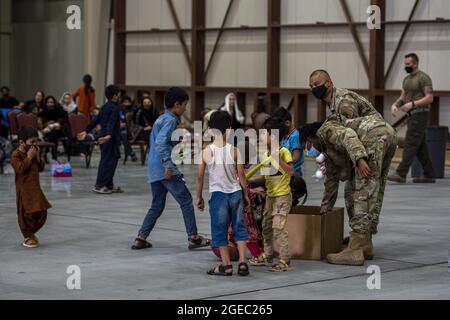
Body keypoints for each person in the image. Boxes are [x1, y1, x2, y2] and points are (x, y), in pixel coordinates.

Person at [302, 113, 397, 265]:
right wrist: (324, 211)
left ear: (311, 138)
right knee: (372, 190)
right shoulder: (329, 152)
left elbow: (348, 135)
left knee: (359, 193)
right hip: (387, 135)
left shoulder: (326, 130)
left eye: (307, 146)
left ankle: (355, 249)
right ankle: (364, 242)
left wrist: (359, 158)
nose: (310, 151)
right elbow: (331, 185)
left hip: (374, 136)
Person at [131, 87, 210, 251]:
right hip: (165, 169)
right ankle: (193, 237)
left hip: (154, 169)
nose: (186, 108)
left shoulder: (161, 119)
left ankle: (141, 237)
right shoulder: (171, 120)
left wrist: (186, 151)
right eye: (185, 105)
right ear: (177, 104)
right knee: (186, 200)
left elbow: (165, 144)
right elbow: (160, 143)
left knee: (157, 205)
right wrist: (168, 165)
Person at [196, 111, 251, 276]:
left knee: (219, 229)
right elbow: (241, 175)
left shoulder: (206, 151)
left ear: (211, 130)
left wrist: (198, 197)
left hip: (218, 195)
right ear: (229, 130)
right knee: (239, 227)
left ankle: (226, 265)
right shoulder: (235, 150)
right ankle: (242, 262)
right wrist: (246, 195)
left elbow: (199, 177)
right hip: (235, 193)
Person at [246, 117, 295, 272]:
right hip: (271, 196)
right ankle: (267, 254)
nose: (261, 136)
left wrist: (277, 158)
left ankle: (284, 259)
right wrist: (246, 180)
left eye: (263, 133)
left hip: (282, 196)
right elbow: (266, 176)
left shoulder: (283, 152)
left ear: (272, 136)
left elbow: (290, 171)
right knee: (266, 226)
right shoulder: (266, 154)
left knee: (278, 227)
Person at [388, 53, 436, 184]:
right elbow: (403, 97)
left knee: (410, 143)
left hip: (420, 114)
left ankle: (401, 173)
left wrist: (413, 104)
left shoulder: (424, 78)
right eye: (405, 64)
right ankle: (429, 174)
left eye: (408, 64)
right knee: (420, 147)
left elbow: (429, 97)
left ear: (415, 63)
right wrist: (395, 105)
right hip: (411, 115)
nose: (406, 66)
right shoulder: (407, 79)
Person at [77, 85, 122, 194]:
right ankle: (100, 185)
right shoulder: (115, 108)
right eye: (118, 94)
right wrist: (109, 135)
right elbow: (111, 122)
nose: (120, 96)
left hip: (105, 137)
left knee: (107, 160)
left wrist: (86, 131)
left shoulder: (105, 106)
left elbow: (95, 120)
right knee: (109, 162)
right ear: (115, 96)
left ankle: (109, 185)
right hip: (110, 138)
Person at [11, 127, 51, 248]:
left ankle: (31, 234)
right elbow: (21, 169)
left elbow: (41, 168)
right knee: (25, 214)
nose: (34, 144)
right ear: (21, 143)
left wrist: (37, 157)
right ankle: (27, 236)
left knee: (42, 212)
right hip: (24, 190)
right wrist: (28, 157)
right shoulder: (16, 155)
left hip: (35, 188)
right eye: (31, 142)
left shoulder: (33, 153)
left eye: (36, 141)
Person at [273, 107, 304, 176]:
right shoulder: (285, 135)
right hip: (285, 171)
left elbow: (296, 157)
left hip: (294, 173)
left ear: (287, 123)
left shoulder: (295, 136)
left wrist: (282, 162)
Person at [120, 95, 138, 162]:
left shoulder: (133, 110)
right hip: (120, 129)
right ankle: (131, 153)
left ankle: (130, 153)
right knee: (123, 135)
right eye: (124, 102)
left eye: (128, 102)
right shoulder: (120, 110)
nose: (126, 103)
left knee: (124, 135)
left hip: (131, 130)